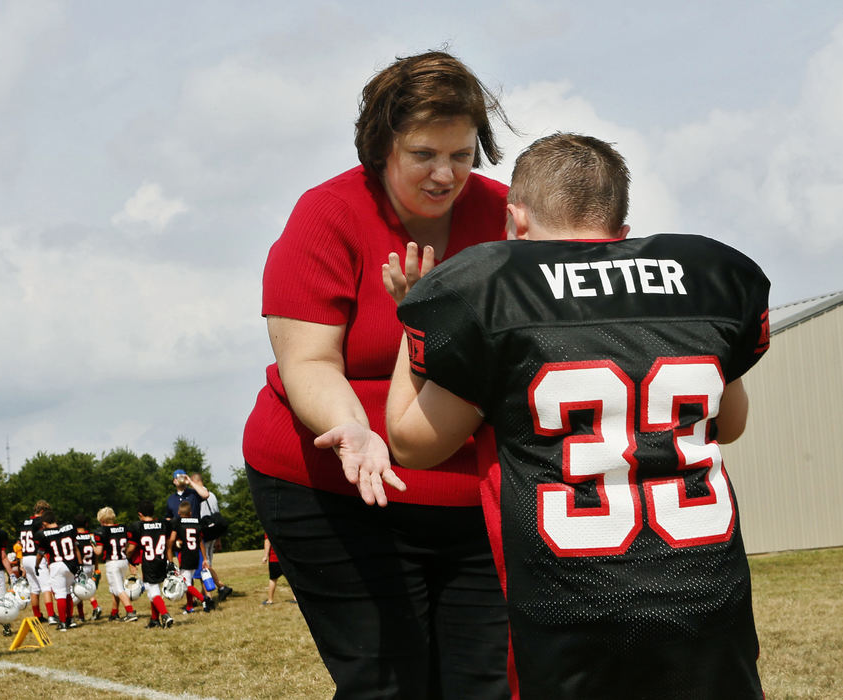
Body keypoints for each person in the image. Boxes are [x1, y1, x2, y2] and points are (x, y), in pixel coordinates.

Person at [385, 133, 768, 699]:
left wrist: (413, 324)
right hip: (707, 595)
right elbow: (729, 425)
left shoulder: (497, 291)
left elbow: (411, 443)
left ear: (515, 222)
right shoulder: (708, 276)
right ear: (622, 229)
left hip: (571, 607)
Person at [241, 49, 513, 699]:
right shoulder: (326, 215)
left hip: (469, 490)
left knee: (484, 686)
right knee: (386, 685)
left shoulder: (507, 219)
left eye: (462, 152)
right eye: (424, 154)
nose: (446, 174)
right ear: (380, 147)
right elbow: (307, 362)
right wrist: (352, 429)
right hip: (334, 485)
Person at [127, 500, 175, 628]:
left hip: (149, 562)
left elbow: (131, 548)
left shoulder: (138, 526)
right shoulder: (163, 524)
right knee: (155, 589)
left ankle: (165, 615)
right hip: (161, 559)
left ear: (140, 514)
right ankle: (154, 619)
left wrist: (128, 558)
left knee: (153, 592)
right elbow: (169, 542)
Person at [33, 509, 83, 632]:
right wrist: (80, 564)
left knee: (60, 594)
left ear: (44, 523)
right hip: (72, 564)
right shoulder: (69, 527)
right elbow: (76, 547)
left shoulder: (43, 534)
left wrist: (36, 565)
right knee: (67, 592)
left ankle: (62, 622)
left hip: (57, 565)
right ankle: (70, 619)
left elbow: (40, 553)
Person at [188, 472, 233, 601]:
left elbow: (200, 516)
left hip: (204, 533)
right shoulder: (212, 495)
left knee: (204, 564)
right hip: (214, 532)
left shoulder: (197, 495)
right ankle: (206, 594)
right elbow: (216, 515)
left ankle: (220, 587)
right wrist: (218, 538)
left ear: (193, 481)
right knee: (208, 563)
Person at [166, 500, 214, 614]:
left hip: (185, 555)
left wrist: (170, 551)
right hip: (195, 555)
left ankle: (205, 599)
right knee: (189, 580)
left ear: (178, 512)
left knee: (186, 584)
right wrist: (205, 558)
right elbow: (200, 542)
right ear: (190, 512)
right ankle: (189, 606)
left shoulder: (178, 522)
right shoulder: (197, 522)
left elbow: (172, 540)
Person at [94, 506, 137, 622]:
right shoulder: (123, 528)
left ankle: (130, 612)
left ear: (102, 520)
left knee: (118, 589)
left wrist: (91, 544)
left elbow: (98, 551)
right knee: (114, 588)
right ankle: (114, 613)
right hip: (123, 560)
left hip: (112, 562)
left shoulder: (101, 531)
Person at [18, 500, 56, 623]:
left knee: (34, 588)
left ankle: (37, 615)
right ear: (42, 511)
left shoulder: (24, 522)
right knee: (46, 587)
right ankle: (51, 615)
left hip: (26, 557)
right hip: (36, 556)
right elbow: (43, 539)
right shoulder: (39, 522)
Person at [72, 513, 101, 621]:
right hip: (90, 565)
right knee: (86, 588)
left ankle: (82, 615)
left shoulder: (74, 536)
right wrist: (96, 567)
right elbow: (96, 553)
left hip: (80, 566)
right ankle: (86, 612)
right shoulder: (91, 536)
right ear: (87, 524)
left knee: (78, 590)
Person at [260, 534, 290, 606]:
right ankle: (296, 598)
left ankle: (270, 600)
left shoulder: (269, 527)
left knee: (273, 579)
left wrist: (265, 556)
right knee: (291, 579)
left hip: (274, 559)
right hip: (286, 559)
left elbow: (267, 541)